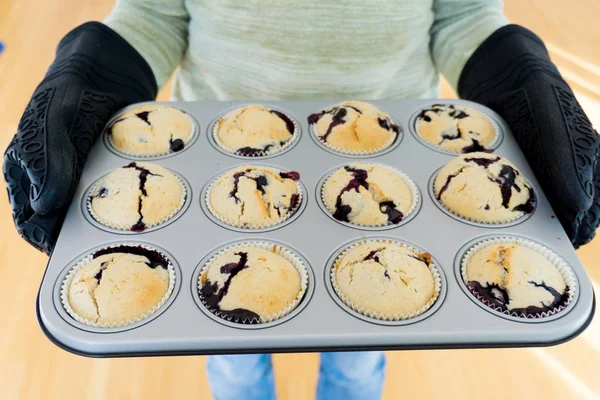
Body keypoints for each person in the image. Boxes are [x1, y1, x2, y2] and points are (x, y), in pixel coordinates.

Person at [4, 1, 599, 399]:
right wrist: (94, 67)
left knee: (362, 348)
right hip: (223, 166)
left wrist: (515, 70)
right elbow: (154, 13)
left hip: (392, 168)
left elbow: (462, 14)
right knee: (233, 349)